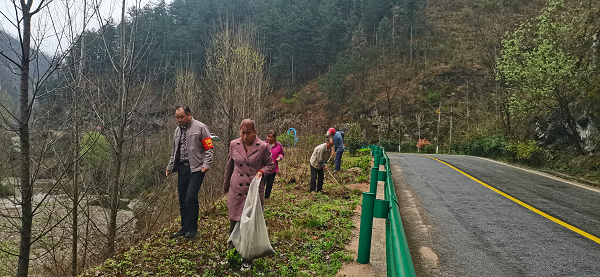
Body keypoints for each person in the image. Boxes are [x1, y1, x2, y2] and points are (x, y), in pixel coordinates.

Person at [223, 119, 274, 271]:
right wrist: (226, 184)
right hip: (236, 191)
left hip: (252, 193)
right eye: (242, 132)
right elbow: (229, 166)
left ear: (255, 132)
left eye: (248, 133)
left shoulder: (263, 147)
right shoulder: (234, 144)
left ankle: (247, 259)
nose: (245, 136)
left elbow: (271, 165)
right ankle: (231, 255)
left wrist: (261, 172)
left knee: (248, 226)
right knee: (233, 225)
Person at [166, 106, 214, 239]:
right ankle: (185, 227)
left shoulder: (201, 127)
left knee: (190, 197)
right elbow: (174, 150)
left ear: (189, 115)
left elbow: (209, 147)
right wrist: (170, 167)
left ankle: (193, 229)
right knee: (182, 199)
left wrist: (207, 164)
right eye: (177, 117)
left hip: (197, 168)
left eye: (181, 117)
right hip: (182, 168)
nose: (179, 120)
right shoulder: (177, 130)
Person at [264, 130, 284, 199]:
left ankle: (267, 197)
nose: (269, 138)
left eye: (271, 137)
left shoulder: (279, 145)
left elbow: (282, 154)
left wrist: (279, 157)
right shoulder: (263, 144)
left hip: (273, 168)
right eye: (268, 137)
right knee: (262, 184)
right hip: (264, 168)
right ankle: (259, 197)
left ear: (275, 138)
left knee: (269, 184)